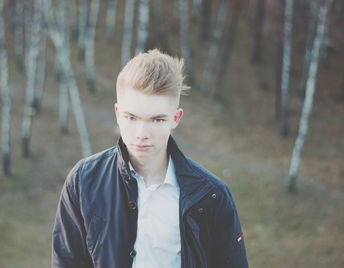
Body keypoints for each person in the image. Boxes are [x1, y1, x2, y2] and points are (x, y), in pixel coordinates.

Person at [52, 49, 249, 268]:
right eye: (131, 117)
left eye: (157, 120)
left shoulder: (212, 195)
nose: (142, 133)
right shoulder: (83, 181)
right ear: (117, 113)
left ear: (176, 118)